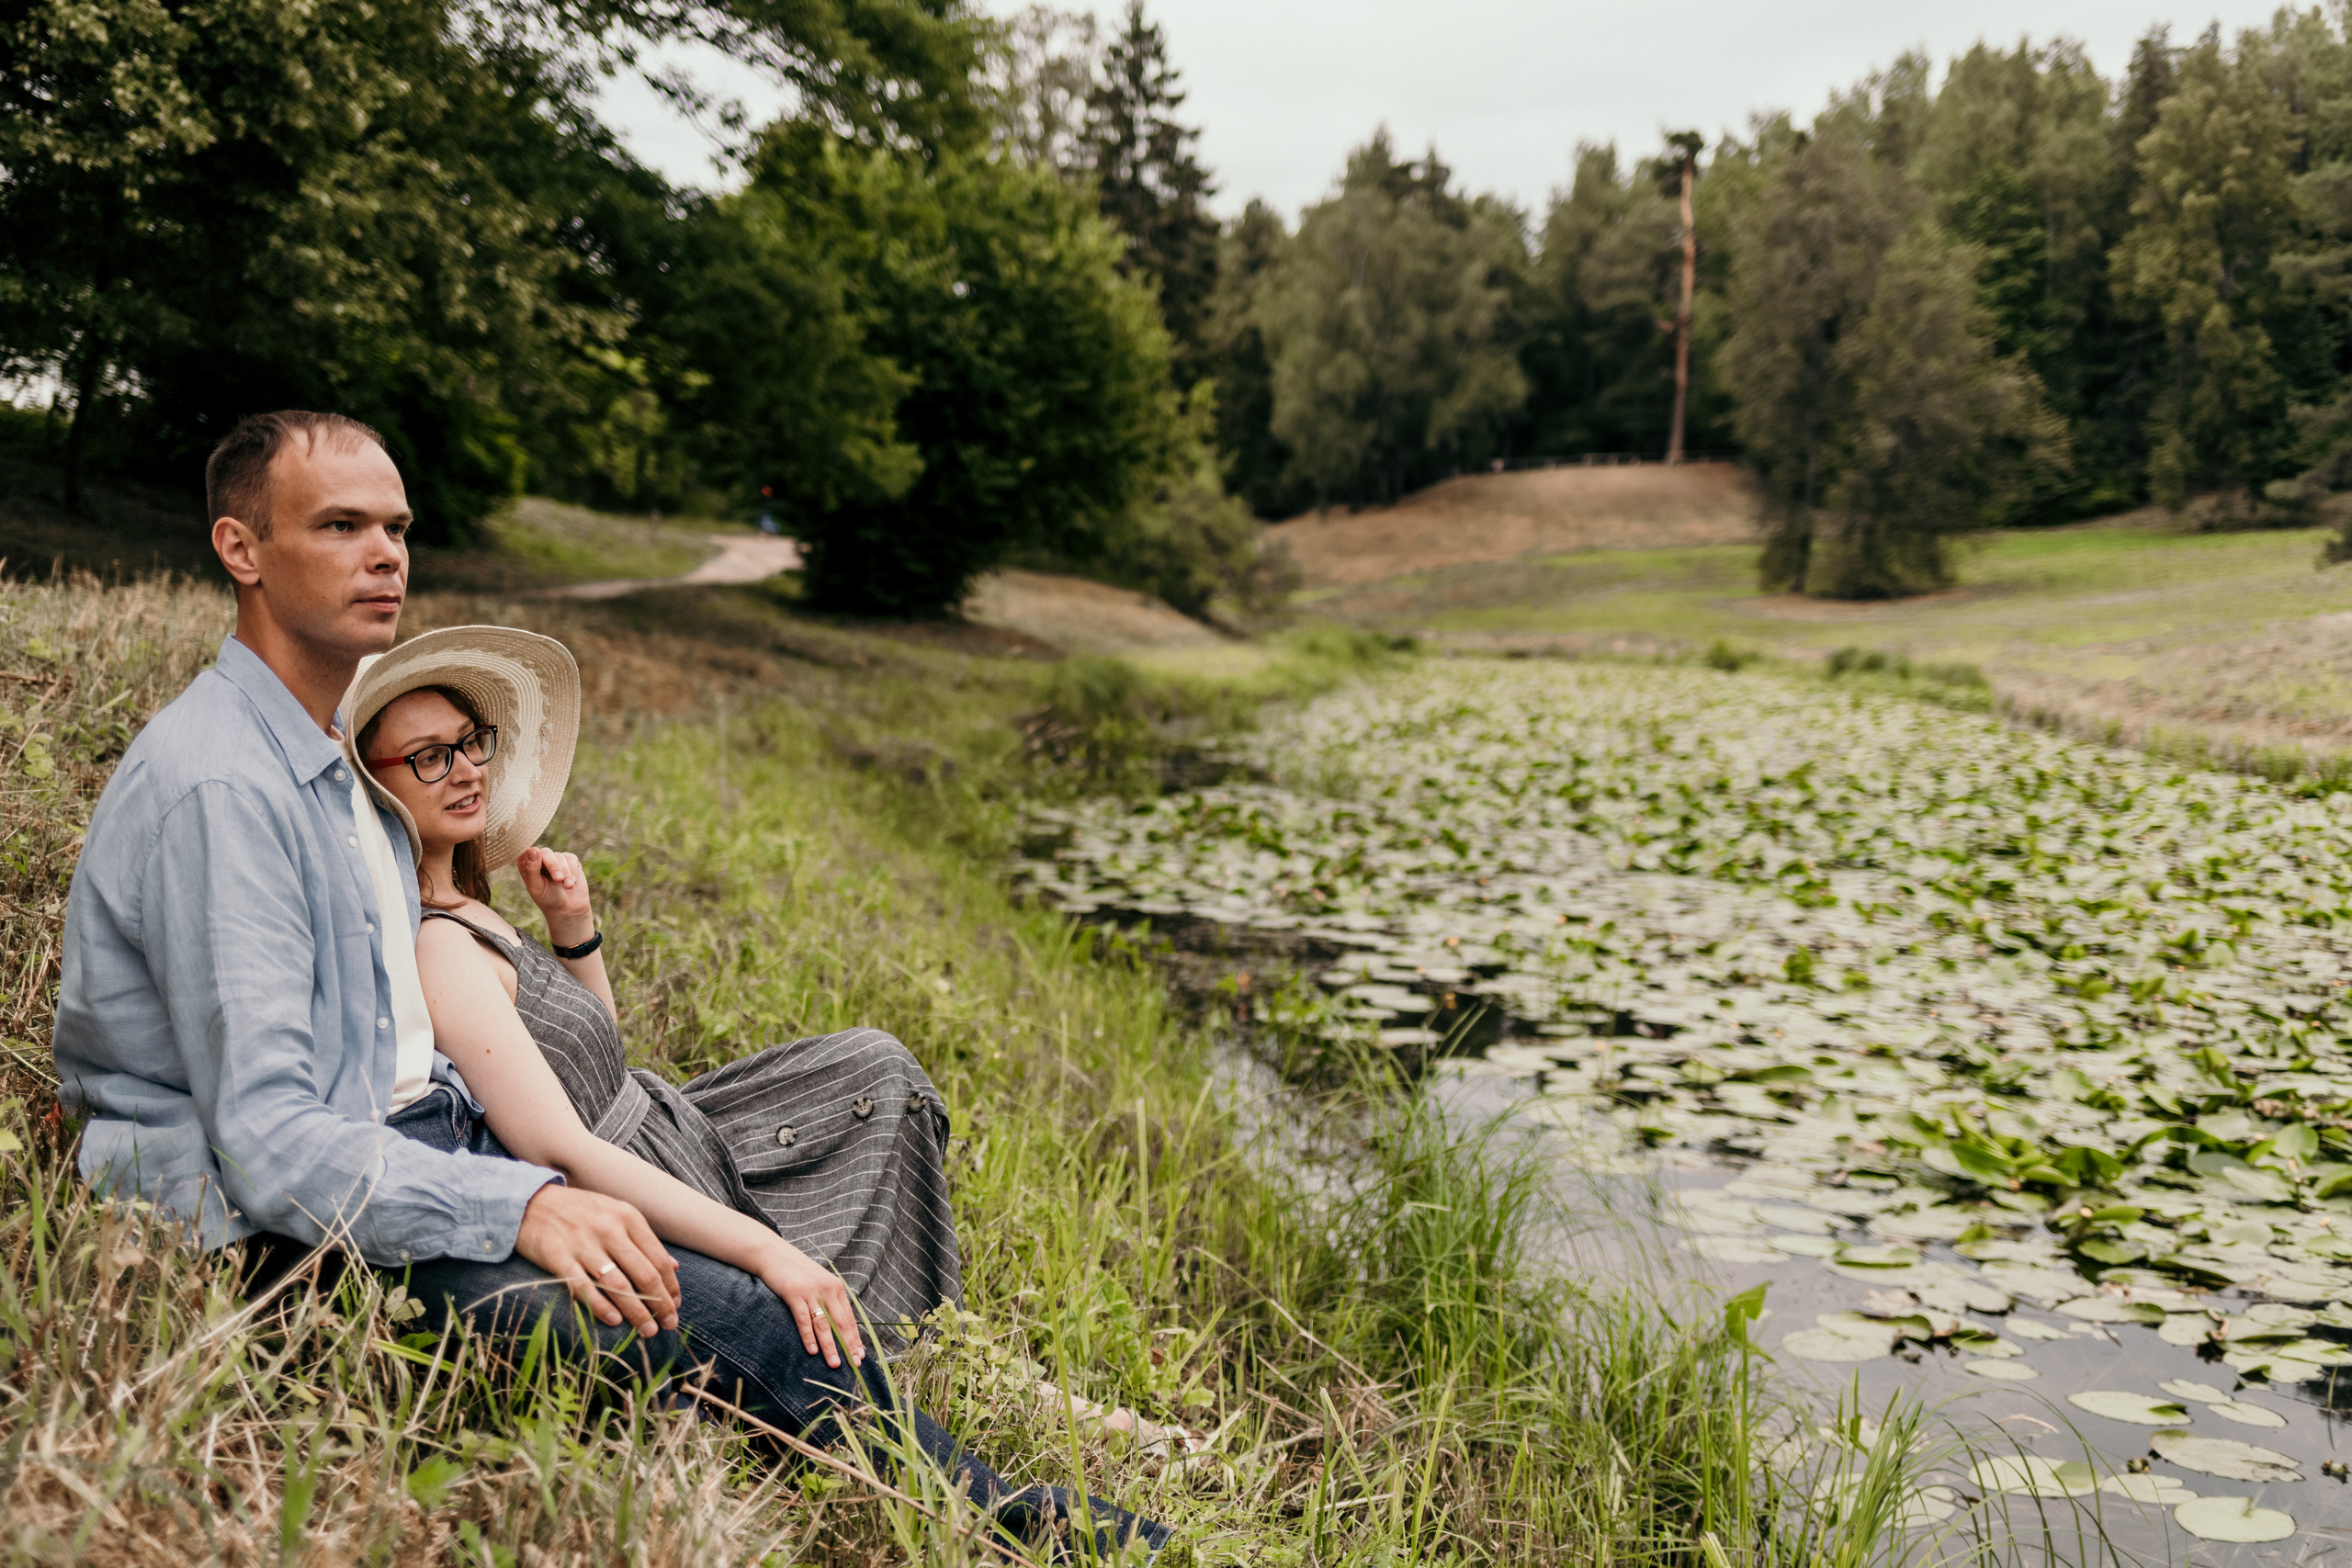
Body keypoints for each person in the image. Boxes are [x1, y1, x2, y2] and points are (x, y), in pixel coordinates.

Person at [51, 409, 1167, 1561]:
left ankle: (861, 1420)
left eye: (396, 527)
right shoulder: (223, 787)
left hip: (411, 1153)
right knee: (724, 1312)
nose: (385, 554)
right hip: (286, 1239)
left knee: (715, 1268)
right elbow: (274, 1145)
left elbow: (406, 1050)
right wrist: (521, 1200)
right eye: (341, 526)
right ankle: (1014, 1526)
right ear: (242, 550)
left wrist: (532, 1147)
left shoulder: (333, 773)